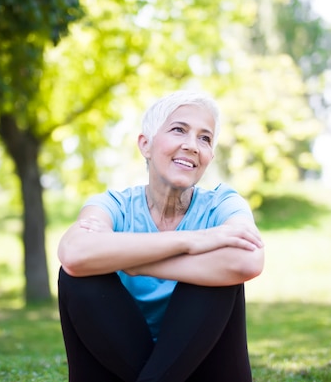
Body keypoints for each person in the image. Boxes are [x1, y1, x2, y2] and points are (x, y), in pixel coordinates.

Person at [57, 90, 265, 382]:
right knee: (79, 278)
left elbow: (248, 261)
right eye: (179, 130)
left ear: (209, 156)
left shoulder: (223, 203)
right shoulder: (113, 205)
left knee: (216, 279)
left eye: (204, 138)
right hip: (120, 364)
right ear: (146, 144)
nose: (192, 145)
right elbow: (74, 254)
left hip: (203, 367)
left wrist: (136, 262)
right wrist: (192, 241)